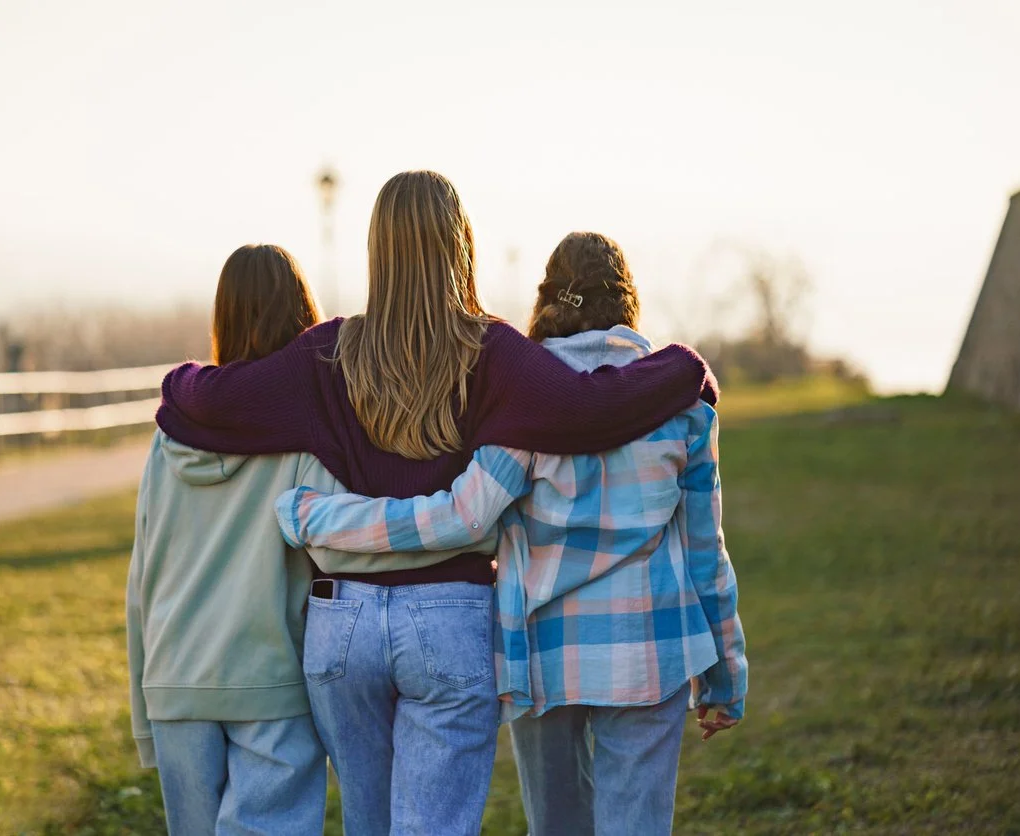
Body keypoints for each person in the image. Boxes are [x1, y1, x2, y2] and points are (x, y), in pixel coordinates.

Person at [155, 173, 719, 835]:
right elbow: (591, 408)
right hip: (449, 617)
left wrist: (178, 379)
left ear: (375, 250)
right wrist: (683, 365)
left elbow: (211, 399)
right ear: (462, 244)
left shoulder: (327, 352)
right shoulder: (492, 351)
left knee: (369, 822)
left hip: (343, 622)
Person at [276, 231, 748, 836]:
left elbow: (460, 517)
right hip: (650, 649)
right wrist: (726, 672)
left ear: (546, 298)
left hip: (541, 653)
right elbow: (707, 551)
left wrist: (319, 518)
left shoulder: (524, 404)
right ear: (629, 302)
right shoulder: (684, 407)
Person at [126, 244, 490, 836]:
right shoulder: (300, 441)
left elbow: (141, 580)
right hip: (271, 687)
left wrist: (146, 714)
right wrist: (460, 535)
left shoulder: (166, 442)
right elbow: (345, 549)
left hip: (174, 688)